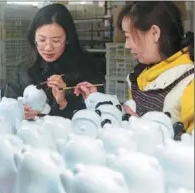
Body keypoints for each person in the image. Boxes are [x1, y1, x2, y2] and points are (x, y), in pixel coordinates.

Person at [75, 2, 194, 133]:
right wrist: (100, 101)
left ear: (154, 33)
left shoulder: (189, 83)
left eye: (128, 36)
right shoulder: (140, 75)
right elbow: (133, 117)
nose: (126, 45)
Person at [4, 3, 102, 120]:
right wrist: (18, 111)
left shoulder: (86, 68)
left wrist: (63, 103)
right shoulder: (24, 70)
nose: (48, 48)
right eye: (42, 40)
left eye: (56, 41)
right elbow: (7, 107)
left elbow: (99, 115)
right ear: (33, 38)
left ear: (68, 39)